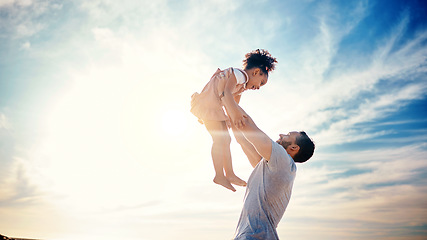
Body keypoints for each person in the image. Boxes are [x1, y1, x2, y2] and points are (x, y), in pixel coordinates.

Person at [190, 49, 277, 192]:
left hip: (213, 107)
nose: (258, 88)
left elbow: (234, 104)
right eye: (261, 82)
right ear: (255, 72)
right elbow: (226, 93)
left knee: (226, 140)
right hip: (208, 105)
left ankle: (229, 174)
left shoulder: (241, 86)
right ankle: (219, 175)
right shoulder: (240, 75)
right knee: (219, 140)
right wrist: (235, 114)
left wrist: (232, 117)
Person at [231, 105, 315, 239]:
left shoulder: (284, 161)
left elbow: (248, 126)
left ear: (293, 147)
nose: (281, 135)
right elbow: (242, 138)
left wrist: (226, 97)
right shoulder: (272, 167)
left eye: (287, 135)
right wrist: (229, 108)